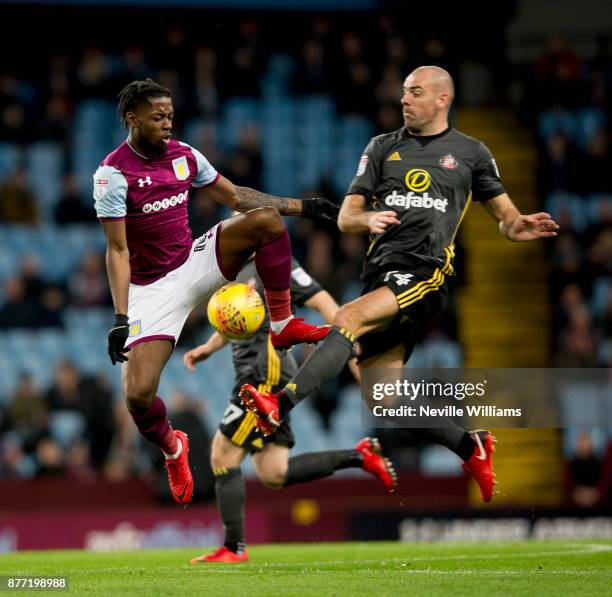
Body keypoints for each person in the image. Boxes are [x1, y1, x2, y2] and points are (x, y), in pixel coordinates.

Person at [240, 66, 560, 503]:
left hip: (424, 272)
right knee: (384, 402)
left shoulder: (471, 153)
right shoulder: (382, 148)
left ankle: (280, 404)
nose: (404, 99)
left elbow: (504, 217)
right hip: (380, 274)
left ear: (442, 98)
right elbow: (346, 216)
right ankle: (471, 445)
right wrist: (367, 217)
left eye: (415, 92)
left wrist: (516, 225)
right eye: (404, 93)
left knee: (347, 317)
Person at [93, 79, 337, 507]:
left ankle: (280, 322)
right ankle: (173, 448)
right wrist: (120, 317)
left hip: (192, 263)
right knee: (137, 396)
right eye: (157, 117)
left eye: (170, 115)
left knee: (265, 221)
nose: (167, 124)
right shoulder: (112, 175)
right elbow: (117, 249)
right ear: (132, 119)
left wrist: (305, 206)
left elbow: (238, 197)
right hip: (150, 291)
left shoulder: (185, 157)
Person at [184, 258, 396, 563]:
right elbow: (235, 314)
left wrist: (347, 346)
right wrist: (209, 346)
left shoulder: (276, 261)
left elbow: (325, 302)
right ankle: (359, 455)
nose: (236, 216)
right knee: (274, 472)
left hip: (264, 371)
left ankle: (233, 549)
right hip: (252, 369)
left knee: (222, 452)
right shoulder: (235, 265)